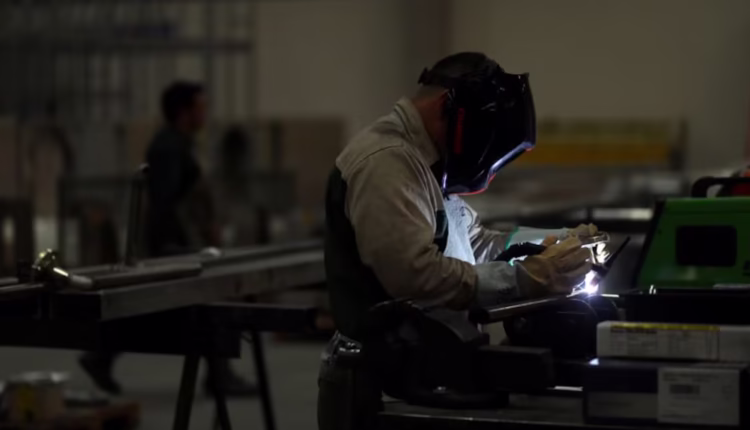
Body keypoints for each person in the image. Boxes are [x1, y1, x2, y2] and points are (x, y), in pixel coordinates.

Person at [318, 52, 601, 430]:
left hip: (425, 372)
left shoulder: (425, 160)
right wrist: (524, 278)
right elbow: (416, 276)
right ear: (447, 108)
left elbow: (476, 242)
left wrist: (555, 243)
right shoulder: (386, 162)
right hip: (382, 384)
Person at [79, 81, 257, 397]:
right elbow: (165, 202)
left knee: (167, 308)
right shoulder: (167, 148)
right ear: (184, 112)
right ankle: (218, 375)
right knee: (200, 296)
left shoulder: (179, 144)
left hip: (177, 240)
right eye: (200, 107)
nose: (205, 113)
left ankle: (101, 357)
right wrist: (176, 246)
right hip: (169, 243)